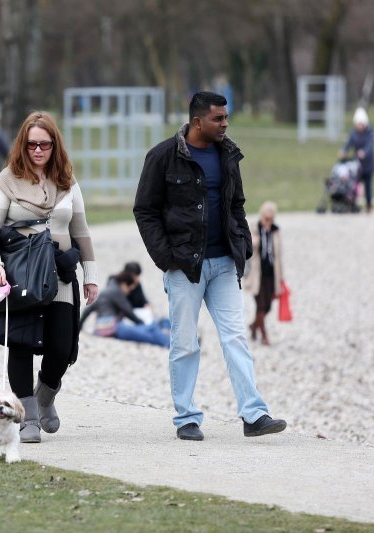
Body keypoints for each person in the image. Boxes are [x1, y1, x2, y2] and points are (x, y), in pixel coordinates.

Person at [133, 91, 286, 441]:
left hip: (223, 265)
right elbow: (145, 210)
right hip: (184, 268)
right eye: (219, 119)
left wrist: (243, 246)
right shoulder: (162, 157)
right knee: (185, 343)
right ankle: (186, 418)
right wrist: (166, 258)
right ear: (198, 121)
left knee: (235, 337)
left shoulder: (228, 154)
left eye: (226, 118)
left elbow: (237, 204)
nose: (225, 124)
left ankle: (254, 414)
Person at [0, 110, 99, 443]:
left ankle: (45, 397)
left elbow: (82, 231)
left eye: (44, 145)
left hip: (59, 273)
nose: (37, 150)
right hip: (19, 273)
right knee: (20, 342)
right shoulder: (6, 180)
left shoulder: (67, 182)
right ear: (23, 144)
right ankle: (27, 416)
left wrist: (90, 276)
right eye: (32, 144)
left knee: (62, 346)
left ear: (54, 145)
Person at [80, 271, 170, 347]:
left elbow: (87, 310)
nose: (129, 292)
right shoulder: (116, 291)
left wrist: (79, 327)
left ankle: (168, 339)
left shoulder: (107, 290)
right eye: (129, 289)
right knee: (152, 328)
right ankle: (168, 343)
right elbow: (128, 311)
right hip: (112, 328)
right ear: (123, 284)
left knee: (151, 329)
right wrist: (141, 323)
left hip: (101, 328)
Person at [244, 201, 283, 346]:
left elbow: (279, 257)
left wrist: (281, 279)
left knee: (268, 306)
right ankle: (264, 336)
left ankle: (254, 326)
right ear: (262, 216)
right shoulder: (255, 228)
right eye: (266, 218)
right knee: (260, 304)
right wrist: (254, 241)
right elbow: (248, 247)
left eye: (271, 219)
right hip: (256, 275)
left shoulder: (276, 231)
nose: (269, 222)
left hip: (271, 274)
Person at [339, 107, 374, 213]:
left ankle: (369, 205)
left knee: (368, 186)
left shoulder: (370, 132)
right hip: (357, 165)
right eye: (358, 124)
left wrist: (363, 152)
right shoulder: (354, 133)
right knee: (353, 185)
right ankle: (352, 204)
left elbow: (370, 146)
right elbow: (348, 143)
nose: (359, 126)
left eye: (361, 124)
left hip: (368, 165)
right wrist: (343, 150)